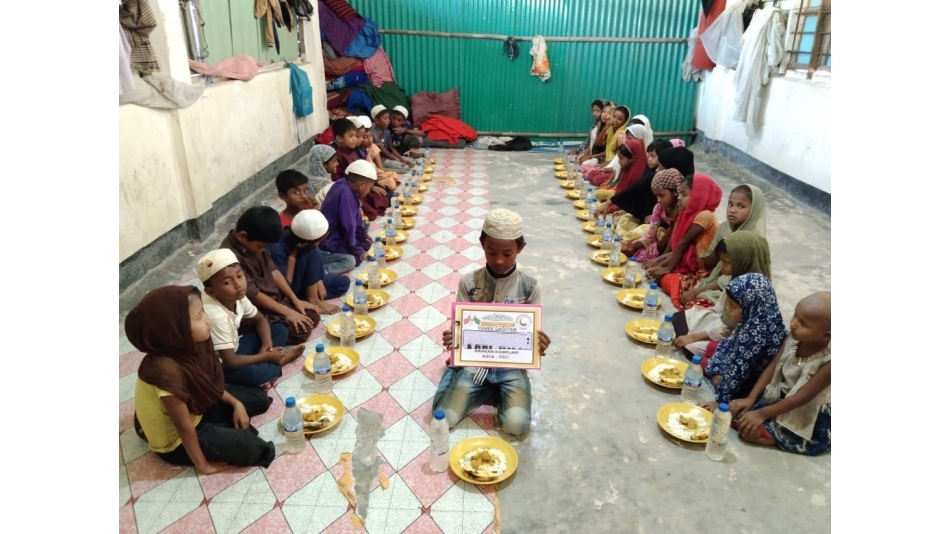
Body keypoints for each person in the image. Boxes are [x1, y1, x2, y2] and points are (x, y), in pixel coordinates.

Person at [129, 285, 276, 474]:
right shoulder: (165, 374)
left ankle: (223, 428)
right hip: (177, 440)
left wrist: (236, 403)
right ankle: (221, 434)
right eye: (199, 316)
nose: (208, 321)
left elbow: (209, 385)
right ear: (174, 328)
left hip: (198, 409)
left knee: (259, 399)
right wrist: (203, 466)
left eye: (203, 312)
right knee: (254, 448)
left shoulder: (190, 347)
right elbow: (184, 427)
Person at [432, 209, 551, 437]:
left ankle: (495, 388)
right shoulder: (469, 283)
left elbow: (530, 336)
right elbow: (462, 327)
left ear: (520, 248)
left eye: (507, 254)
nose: (498, 260)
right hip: (475, 363)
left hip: (510, 367)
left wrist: (538, 344)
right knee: (443, 419)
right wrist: (456, 338)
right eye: (491, 252)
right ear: (482, 245)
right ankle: (454, 369)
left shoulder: (529, 287)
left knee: (516, 426)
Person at [729, 291, 831, 456]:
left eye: (803, 323)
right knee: (740, 415)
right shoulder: (794, 337)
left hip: (807, 408)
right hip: (783, 395)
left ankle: (773, 438)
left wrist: (762, 414)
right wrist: (751, 398)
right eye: (795, 316)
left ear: (827, 335)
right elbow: (773, 367)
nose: (794, 324)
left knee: (751, 430)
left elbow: (801, 398)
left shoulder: (829, 362)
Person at [197, 249, 305, 388]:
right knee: (255, 375)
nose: (238, 285)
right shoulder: (216, 315)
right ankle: (279, 363)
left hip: (234, 348)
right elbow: (231, 362)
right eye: (227, 282)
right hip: (220, 366)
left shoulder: (237, 297)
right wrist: (266, 356)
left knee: (279, 329)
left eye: (240, 276)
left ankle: (267, 370)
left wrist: (266, 343)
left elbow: (260, 320)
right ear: (211, 292)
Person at [220, 206, 320, 346]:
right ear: (243, 236)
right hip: (256, 311)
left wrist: (296, 301)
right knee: (294, 330)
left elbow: (274, 272)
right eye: (260, 247)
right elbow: (254, 295)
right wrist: (287, 312)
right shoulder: (228, 258)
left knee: (311, 315)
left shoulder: (254, 243)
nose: (262, 250)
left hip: (276, 301)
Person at [672, 231, 772, 357]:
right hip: (722, 322)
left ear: (744, 260)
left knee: (691, 348)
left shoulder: (750, 288)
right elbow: (719, 309)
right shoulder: (737, 277)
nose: (722, 266)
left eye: (726, 262)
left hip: (735, 335)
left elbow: (729, 326)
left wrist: (693, 337)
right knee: (678, 318)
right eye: (721, 261)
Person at [702, 273, 787, 409]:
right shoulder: (764, 314)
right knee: (713, 348)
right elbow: (732, 343)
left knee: (705, 362)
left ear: (749, 305)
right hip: (745, 361)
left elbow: (739, 369)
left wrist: (721, 402)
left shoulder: (754, 335)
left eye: (732, 306)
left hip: (749, 379)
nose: (728, 310)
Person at [682, 184, 768, 309]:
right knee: (670, 280)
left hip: (735, 290)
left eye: (741, 206)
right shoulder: (724, 228)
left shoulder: (751, 239)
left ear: (754, 210)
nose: (732, 210)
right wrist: (721, 245)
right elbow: (708, 264)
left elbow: (731, 279)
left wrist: (696, 291)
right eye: (730, 204)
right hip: (715, 279)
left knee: (695, 306)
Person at [645, 171, 723, 308]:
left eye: (684, 194)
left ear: (699, 195)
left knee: (665, 279)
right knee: (654, 272)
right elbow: (679, 249)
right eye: (679, 193)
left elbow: (683, 243)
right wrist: (659, 261)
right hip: (689, 264)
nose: (679, 198)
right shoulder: (686, 214)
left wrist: (667, 268)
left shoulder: (705, 216)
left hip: (702, 273)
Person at [268, 209, 349, 314]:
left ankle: (309, 296)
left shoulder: (298, 237)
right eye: (318, 241)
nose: (318, 243)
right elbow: (286, 284)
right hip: (291, 288)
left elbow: (312, 265)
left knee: (343, 283)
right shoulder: (277, 248)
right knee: (313, 252)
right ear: (306, 242)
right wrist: (294, 256)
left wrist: (317, 280)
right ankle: (313, 299)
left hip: (306, 281)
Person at [596, 139, 673, 224]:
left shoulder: (665, 177)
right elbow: (636, 191)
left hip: (653, 217)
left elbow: (636, 191)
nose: (649, 159)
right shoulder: (649, 170)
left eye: (653, 156)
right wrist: (627, 210)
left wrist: (610, 203)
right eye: (649, 155)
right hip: (644, 212)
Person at [319, 160, 376, 267]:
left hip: (340, 233)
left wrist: (362, 235)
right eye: (370, 188)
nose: (369, 191)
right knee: (354, 259)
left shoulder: (346, 185)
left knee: (366, 242)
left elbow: (357, 218)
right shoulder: (345, 193)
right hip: (331, 238)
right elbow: (348, 225)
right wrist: (355, 249)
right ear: (362, 185)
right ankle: (322, 270)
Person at [622, 168, 681, 263]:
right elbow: (651, 235)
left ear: (675, 191)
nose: (658, 200)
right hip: (659, 239)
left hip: (673, 244)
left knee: (649, 253)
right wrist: (635, 245)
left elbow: (673, 239)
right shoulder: (658, 207)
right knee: (632, 245)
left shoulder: (682, 211)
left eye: (661, 195)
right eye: (656, 196)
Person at [371, 105, 412, 173]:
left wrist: (402, 159)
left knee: (411, 162)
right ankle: (381, 169)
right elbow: (384, 152)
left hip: (388, 157)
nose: (388, 121)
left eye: (388, 118)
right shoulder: (375, 134)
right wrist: (398, 161)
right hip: (381, 159)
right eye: (385, 119)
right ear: (377, 120)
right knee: (405, 168)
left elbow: (392, 149)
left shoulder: (387, 131)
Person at [330, 117, 363, 182]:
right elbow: (337, 179)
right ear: (339, 138)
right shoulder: (338, 156)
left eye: (355, 136)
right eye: (350, 136)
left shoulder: (353, 151)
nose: (354, 139)